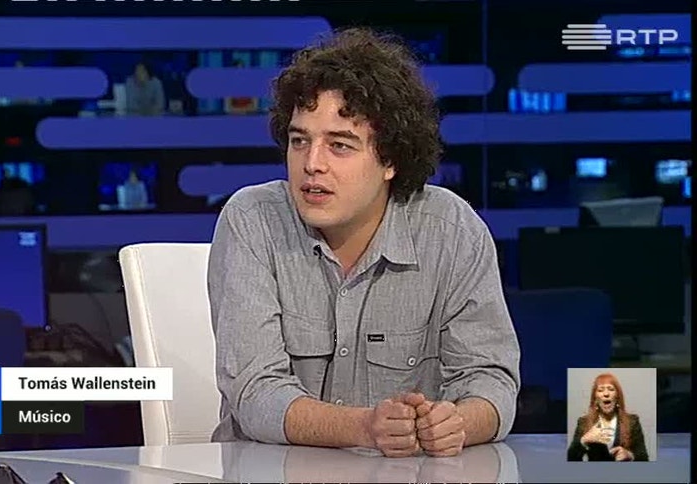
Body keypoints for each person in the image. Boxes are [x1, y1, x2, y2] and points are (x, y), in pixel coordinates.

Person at [208, 27, 520, 458]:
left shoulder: (451, 232)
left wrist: (457, 423)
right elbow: (255, 393)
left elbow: (490, 379)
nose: (312, 164)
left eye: (339, 145)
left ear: (390, 159)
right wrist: (365, 428)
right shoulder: (252, 221)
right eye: (300, 141)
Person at [567, 373, 649, 462]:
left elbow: (644, 458)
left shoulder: (632, 421)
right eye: (600, 390)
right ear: (595, 398)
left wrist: (630, 455)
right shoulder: (584, 422)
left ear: (617, 397)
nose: (606, 394)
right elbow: (571, 458)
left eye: (611, 389)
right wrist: (583, 441)